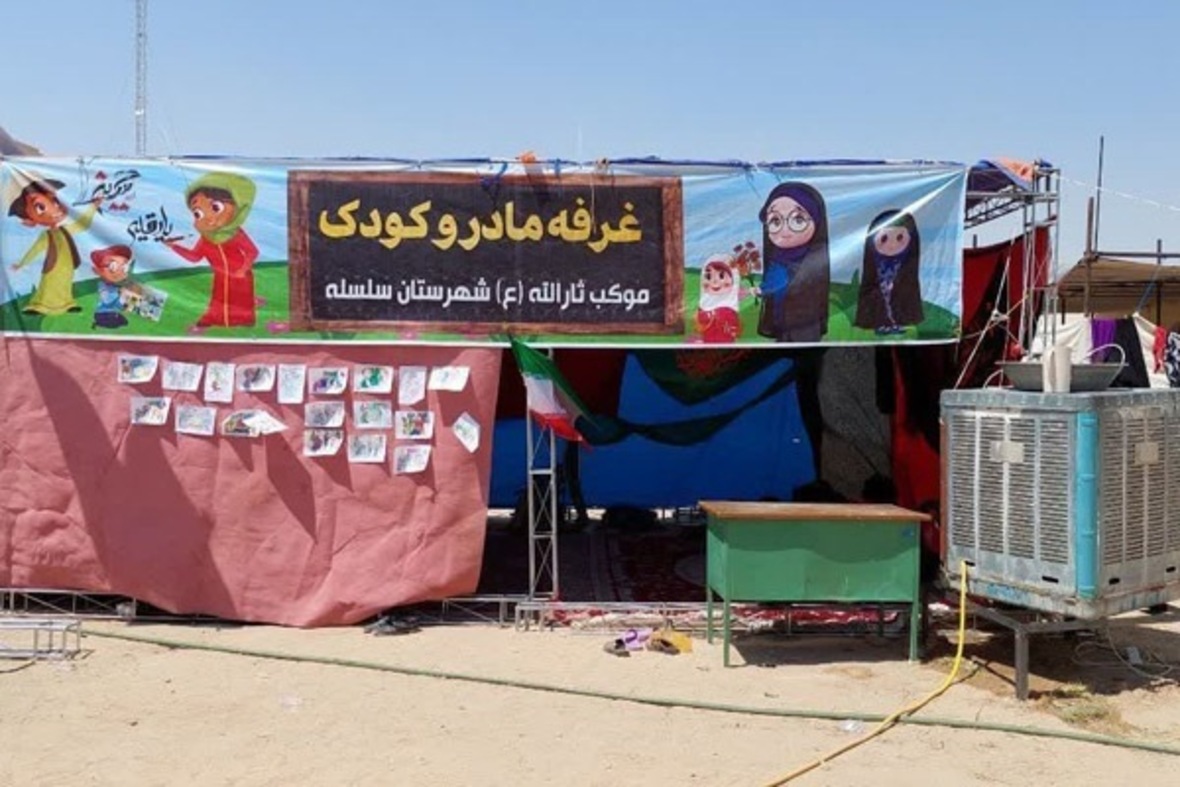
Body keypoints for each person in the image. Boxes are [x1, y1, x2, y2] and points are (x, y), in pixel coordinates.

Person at [165, 172, 259, 330]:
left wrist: (243, 270)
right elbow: (194, 257)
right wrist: (174, 246)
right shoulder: (205, 239)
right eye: (198, 213)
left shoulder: (235, 233)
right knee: (218, 301)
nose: (208, 218)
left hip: (240, 276)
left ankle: (244, 322)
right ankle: (214, 320)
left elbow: (252, 252)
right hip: (220, 276)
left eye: (215, 207)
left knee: (241, 302)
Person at [6, 173, 101, 316]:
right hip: (53, 265)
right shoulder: (46, 235)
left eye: (55, 201)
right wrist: (21, 263)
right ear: (29, 221)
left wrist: (93, 207)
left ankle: (68, 304)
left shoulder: (65, 230)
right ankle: (39, 306)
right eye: (41, 207)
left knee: (65, 284)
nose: (55, 208)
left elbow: (83, 224)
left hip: (67, 266)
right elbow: (35, 249)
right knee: (48, 283)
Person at [755, 182, 831, 343]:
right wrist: (759, 290)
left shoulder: (815, 261)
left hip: (806, 327)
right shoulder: (775, 260)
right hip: (781, 322)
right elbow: (774, 283)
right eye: (775, 221)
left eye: (798, 220)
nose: (784, 230)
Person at [855, 210, 924, 334]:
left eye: (899, 238)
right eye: (884, 238)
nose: (892, 245)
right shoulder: (874, 265)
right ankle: (881, 322)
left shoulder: (906, 269)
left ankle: (897, 321)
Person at [90, 245, 134, 329]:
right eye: (113, 266)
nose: (119, 272)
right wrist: (120, 294)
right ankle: (98, 322)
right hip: (103, 313)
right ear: (97, 270)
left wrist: (126, 305)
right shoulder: (103, 286)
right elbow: (107, 301)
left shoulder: (116, 287)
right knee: (114, 323)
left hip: (113, 312)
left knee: (124, 322)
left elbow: (118, 304)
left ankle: (100, 322)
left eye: (124, 267)